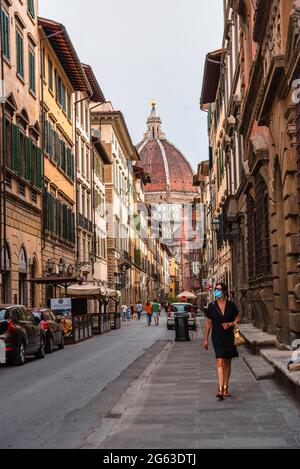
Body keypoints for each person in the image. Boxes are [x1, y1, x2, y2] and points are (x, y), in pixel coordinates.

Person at [203, 282, 241, 400]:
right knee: (220, 361)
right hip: (217, 337)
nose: (216, 291)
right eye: (215, 289)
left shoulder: (231, 305)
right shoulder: (212, 306)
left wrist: (231, 323)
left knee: (227, 362)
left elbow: (238, 317)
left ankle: (225, 387)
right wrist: (205, 339)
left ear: (224, 292)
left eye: (219, 289)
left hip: (229, 336)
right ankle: (220, 389)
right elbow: (209, 322)